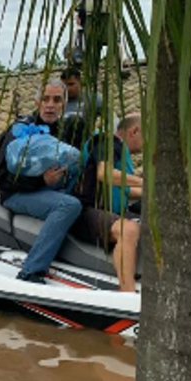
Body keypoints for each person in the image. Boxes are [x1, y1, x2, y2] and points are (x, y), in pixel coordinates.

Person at [0, 78, 83, 285]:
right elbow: (1, 177)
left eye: (57, 100)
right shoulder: (19, 131)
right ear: (37, 102)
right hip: (15, 194)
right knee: (69, 205)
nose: (50, 105)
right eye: (45, 99)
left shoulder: (65, 132)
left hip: (48, 192)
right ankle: (31, 271)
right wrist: (41, 181)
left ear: (63, 104)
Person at [70, 113, 144, 292]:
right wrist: (145, 182)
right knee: (129, 229)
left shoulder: (120, 153)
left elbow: (125, 190)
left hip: (111, 212)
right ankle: (127, 293)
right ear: (134, 131)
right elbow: (104, 173)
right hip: (87, 211)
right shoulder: (107, 141)